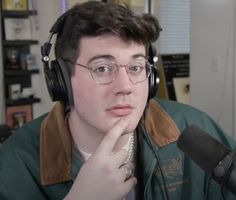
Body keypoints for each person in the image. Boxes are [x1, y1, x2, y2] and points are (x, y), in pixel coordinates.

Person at [0, 1, 235, 200]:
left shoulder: (193, 128)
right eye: (102, 68)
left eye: (135, 67)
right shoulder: (13, 164)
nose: (125, 87)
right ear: (61, 80)